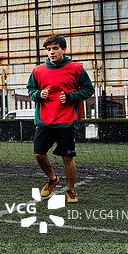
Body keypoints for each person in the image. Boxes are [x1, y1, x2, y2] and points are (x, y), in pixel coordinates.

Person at [27, 34, 94, 203]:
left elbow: (88, 90)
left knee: (67, 158)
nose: (51, 52)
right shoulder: (38, 71)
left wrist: (71, 97)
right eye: (48, 49)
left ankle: (70, 191)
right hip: (44, 120)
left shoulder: (77, 69)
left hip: (66, 120)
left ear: (64, 50)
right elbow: (30, 91)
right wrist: (38, 94)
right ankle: (52, 179)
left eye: (55, 48)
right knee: (38, 154)